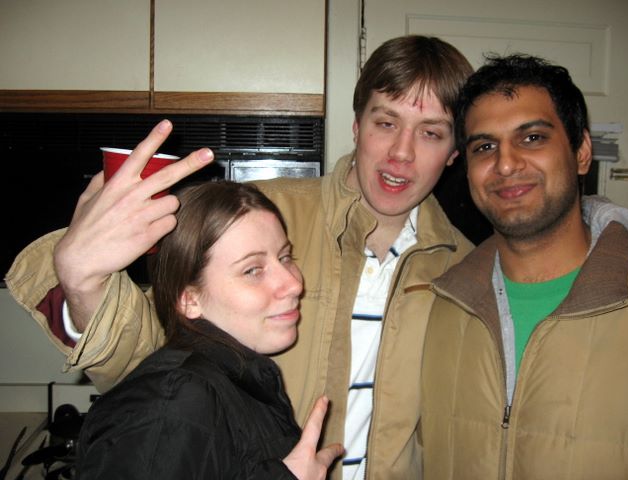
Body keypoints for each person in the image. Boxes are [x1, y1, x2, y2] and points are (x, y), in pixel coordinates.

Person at [6, 35, 476, 480]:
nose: (401, 153)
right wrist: (86, 287)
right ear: (357, 126)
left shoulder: (468, 271)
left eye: (431, 133)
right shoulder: (261, 218)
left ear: (454, 152)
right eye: (386, 123)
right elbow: (152, 360)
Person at [420, 54, 628, 479]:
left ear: (581, 152)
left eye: (533, 138)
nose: (505, 164)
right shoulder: (441, 305)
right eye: (484, 147)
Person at [75, 180, 343, 479]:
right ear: (189, 300)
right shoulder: (172, 402)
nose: (294, 284)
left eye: (284, 257)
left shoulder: (237, 382)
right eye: (252, 270)